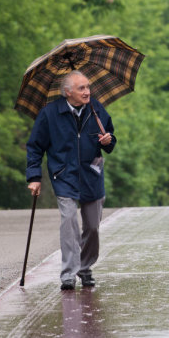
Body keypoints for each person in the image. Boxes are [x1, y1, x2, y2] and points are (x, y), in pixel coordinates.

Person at [26, 70, 116, 290]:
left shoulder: (96, 109)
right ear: (67, 92)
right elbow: (35, 147)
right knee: (69, 223)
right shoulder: (49, 114)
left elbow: (111, 141)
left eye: (87, 86)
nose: (87, 92)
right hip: (63, 175)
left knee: (93, 227)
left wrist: (108, 140)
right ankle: (68, 274)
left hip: (92, 174)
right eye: (81, 88)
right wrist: (34, 177)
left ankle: (85, 268)